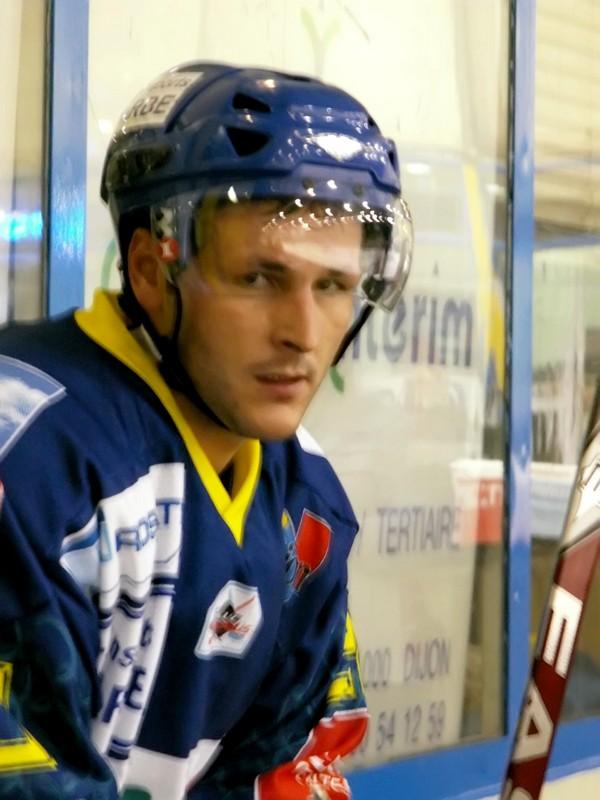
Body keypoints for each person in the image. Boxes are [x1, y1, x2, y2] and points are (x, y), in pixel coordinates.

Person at [0, 62, 412, 800]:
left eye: (333, 286)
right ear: (150, 272)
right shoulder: (31, 464)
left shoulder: (307, 508)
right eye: (259, 278)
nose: (303, 333)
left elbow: (279, 773)